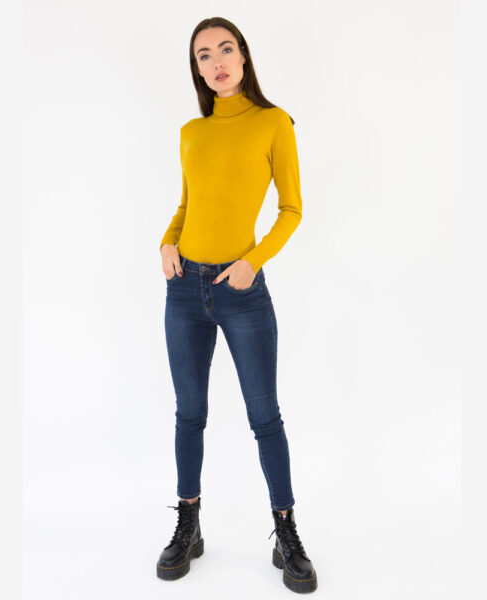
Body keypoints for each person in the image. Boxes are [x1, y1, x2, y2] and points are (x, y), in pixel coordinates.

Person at [156, 17, 317, 593]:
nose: (217, 61)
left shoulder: (274, 123)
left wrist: (253, 260)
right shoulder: (191, 132)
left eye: (226, 49)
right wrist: (167, 242)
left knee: (264, 416)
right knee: (189, 414)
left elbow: (292, 209)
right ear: (197, 69)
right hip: (184, 288)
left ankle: (286, 531)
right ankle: (189, 523)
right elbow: (188, 205)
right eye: (204, 55)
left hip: (241, 290)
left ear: (244, 57)